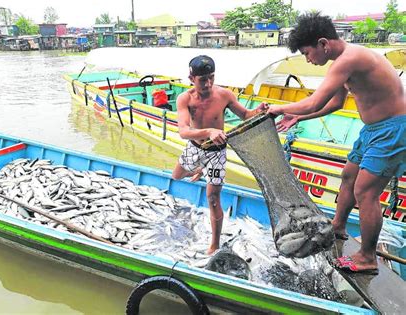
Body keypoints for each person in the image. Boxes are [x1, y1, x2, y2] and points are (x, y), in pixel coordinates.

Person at [267, 13, 406, 274]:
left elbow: (314, 100)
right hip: (372, 130)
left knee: (366, 192)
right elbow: (334, 103)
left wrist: (276, 108)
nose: (308, 59)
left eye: (307, 53)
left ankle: (366, 257)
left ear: (323, 43)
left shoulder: (350, 59)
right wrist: (299, 115)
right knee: (348, 177)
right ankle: (338, 227)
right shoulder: (340, 64)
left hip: (393, 130)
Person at [172, 55, 267, 255]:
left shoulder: (224, 95)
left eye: (211, 78)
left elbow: (246, 115)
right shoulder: (185, 99)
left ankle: (214, 244)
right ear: (191, 78)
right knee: (176, 176)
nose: (207, 83)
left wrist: (258, 111)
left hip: (217, 153)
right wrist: (208, 132)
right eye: (202, 79)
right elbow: (183, 131)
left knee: (213, 197)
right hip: (195, 147)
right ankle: (199, 169)